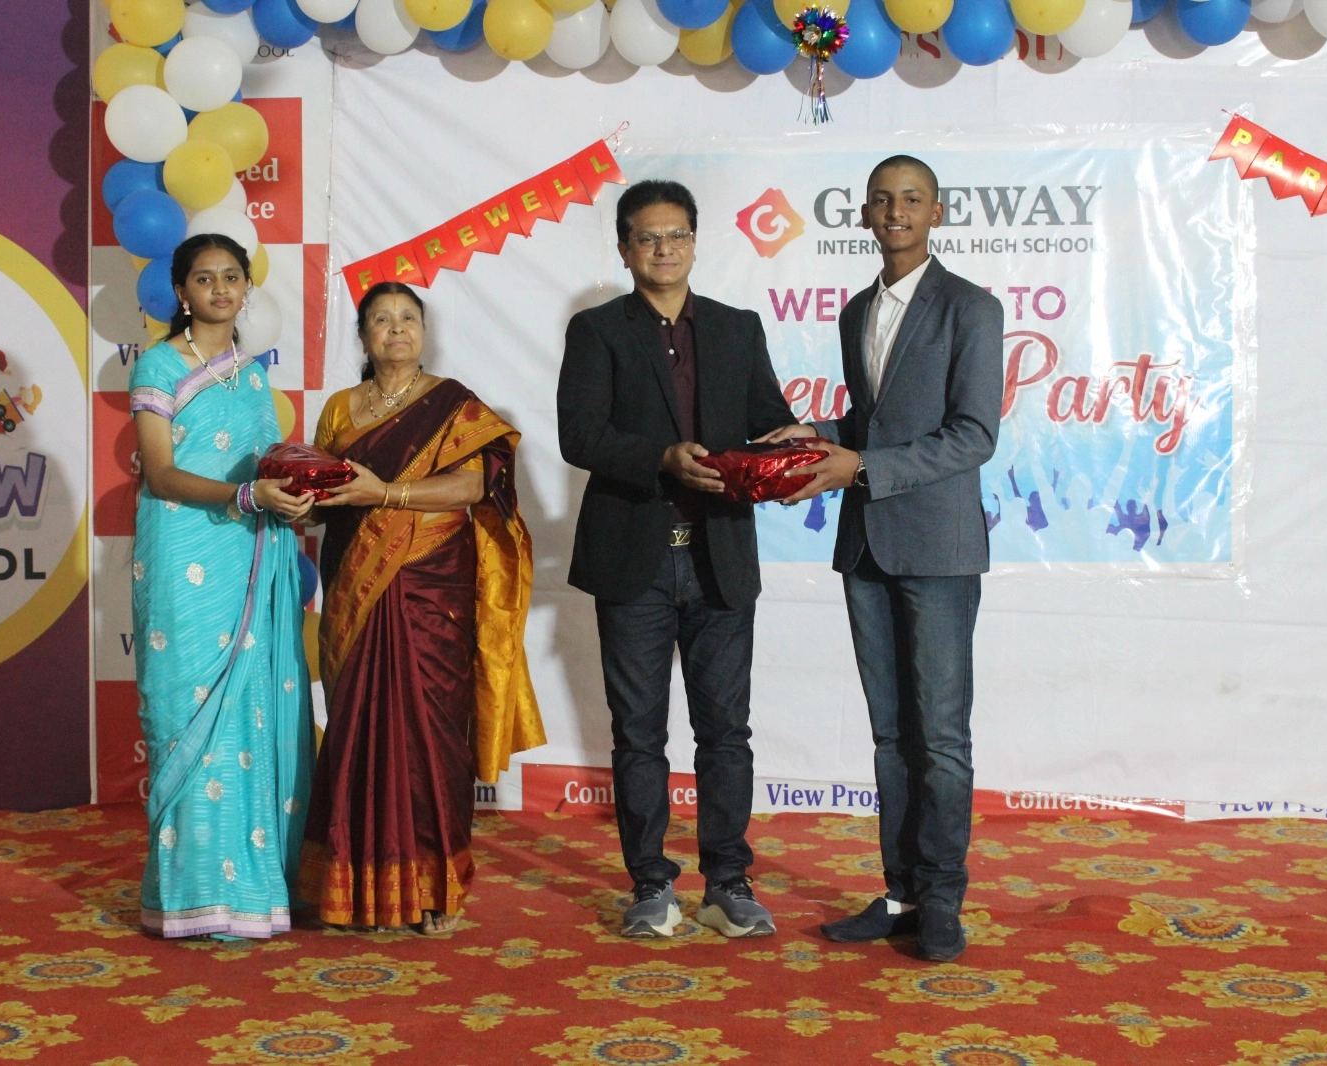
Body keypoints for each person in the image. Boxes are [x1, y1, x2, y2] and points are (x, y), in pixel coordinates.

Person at [764, 155, 1004, 962]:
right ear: (863, 214)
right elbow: (875, 423)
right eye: (881, 199)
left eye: (912, 198)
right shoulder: (856, 311)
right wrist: (819, 436)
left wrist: (860, 465)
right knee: (891, 735)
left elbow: (973, 435)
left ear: (938, 212)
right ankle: (900, 892)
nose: (895, 211)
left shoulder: (971, 308)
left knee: (940, 738)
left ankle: (942, 901)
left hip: (939, 548)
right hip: (866, 545)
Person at [558, 179, 799, 940]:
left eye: (677, 235)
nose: (664, 249)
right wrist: (661, 458)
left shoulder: (736, 328)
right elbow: (579, 436)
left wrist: (791, 446)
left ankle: (728, 881)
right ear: (624, 249)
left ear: (695, 242)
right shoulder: (597, 331)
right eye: (648, 237)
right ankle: (651, 886)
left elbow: (768, 419)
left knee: (726, 731)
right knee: (639, 733)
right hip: (634, 557)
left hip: (720, 555)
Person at [300, 281, 545, 935]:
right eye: (381, 319)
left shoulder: (454, 404)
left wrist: (387, 493)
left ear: (425, 331)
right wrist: (303, 499)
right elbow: (325, 491)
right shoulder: (340, 409)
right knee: (356, 728)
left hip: (432, 587)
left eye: (408, 318)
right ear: (363, 336)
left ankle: (435, 891)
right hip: (354, 582)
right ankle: (351, 890)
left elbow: (476, 484)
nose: (396, 329)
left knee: (431, 736)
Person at [128, 233, 316, 939]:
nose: (219, 289)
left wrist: (291, 500)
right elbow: (160, 474)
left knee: (252, 711)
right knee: (188, 709)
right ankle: (193, 894)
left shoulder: (253, 377)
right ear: (181, 292)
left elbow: (266, 469)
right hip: (185, 555)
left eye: (231, 277)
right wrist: (247, 498)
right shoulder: (159, 365)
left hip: (251, 555)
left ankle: (253, 890)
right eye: (204, 278)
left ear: (246, 288)